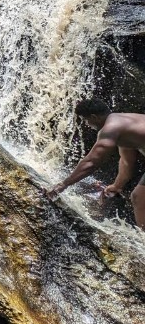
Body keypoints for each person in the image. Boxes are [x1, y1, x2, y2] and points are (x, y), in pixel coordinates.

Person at [46, 98, 145, 229]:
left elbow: (91, 162)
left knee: (138, 197)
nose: (87, 124)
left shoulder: (110, 129)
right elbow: (127, 161)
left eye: (86, 120)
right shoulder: (122, 124)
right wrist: (116, 186)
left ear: (94, 117)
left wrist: (63, 185)